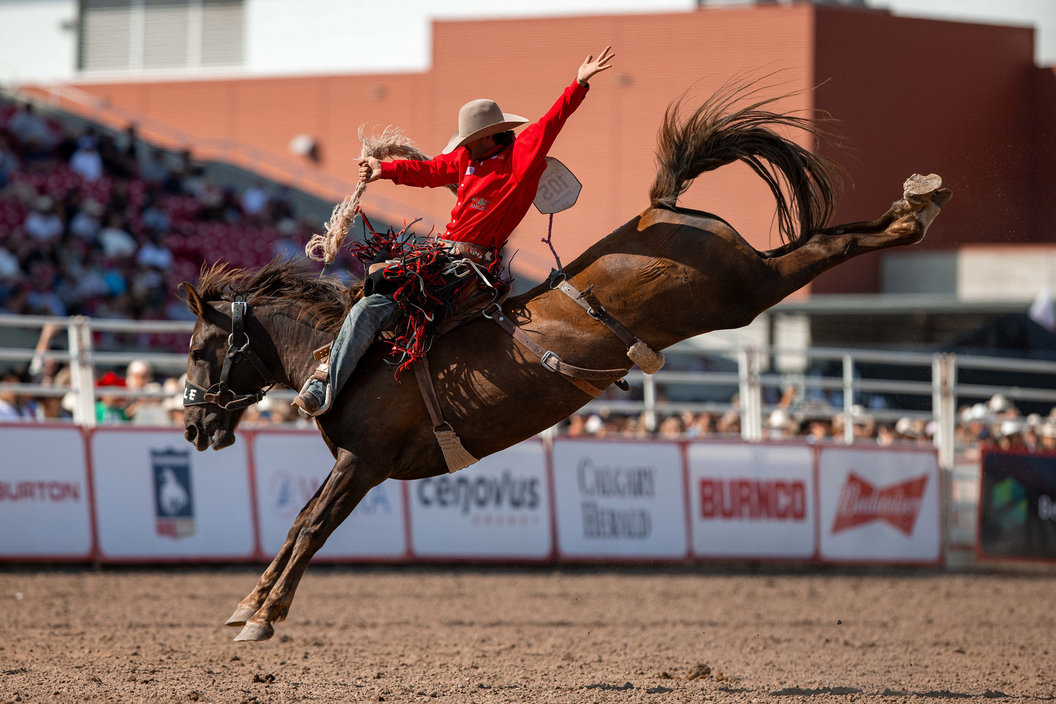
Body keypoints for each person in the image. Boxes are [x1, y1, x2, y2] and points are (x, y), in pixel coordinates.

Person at [292, 47, 615, 416]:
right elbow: (430, 171)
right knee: (376, 276)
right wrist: (385, 169)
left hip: (466, 269)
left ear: (489, 136)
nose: (462, 144)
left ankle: (324, 383)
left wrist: (578, 82)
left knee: (372, 303)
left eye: (468, 137)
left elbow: (552, 120)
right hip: (442, 256)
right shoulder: (466, 159)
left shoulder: (521, 157)